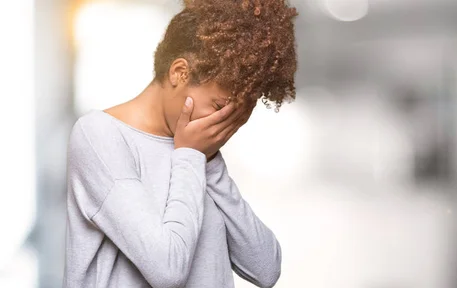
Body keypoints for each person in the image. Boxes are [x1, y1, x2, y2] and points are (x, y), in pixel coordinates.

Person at [63, 0, 298, 287]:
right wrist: (189, 155)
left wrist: (210, 165)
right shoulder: (99, 136)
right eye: (219, 106)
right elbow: (167, 269)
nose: (224, 124)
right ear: (179, 73)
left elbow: (265, 268)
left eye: (236, 116)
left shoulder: (199, 153)